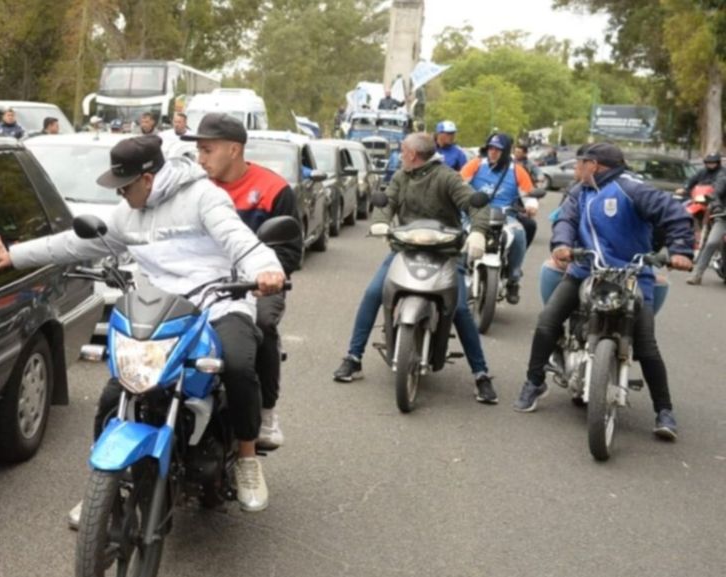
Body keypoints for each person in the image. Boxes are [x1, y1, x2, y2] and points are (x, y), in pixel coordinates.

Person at [0, 135, 286, 517]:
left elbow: (239, 240)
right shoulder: (128, 213)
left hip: (218, 303)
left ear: (148, 178)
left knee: (240, 365)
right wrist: (13, 256)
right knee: (116, 393)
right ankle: (104, 492)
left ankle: (246, 458)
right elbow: (73, 244)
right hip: (163, 312)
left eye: (124, 186)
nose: (121, 195)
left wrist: (265, 269)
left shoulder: (203, 197)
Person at [511, 143, 694, 440]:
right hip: (586, 271)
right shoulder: (579, 191)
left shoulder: (632, 188)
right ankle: (534, 383)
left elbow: (674, 213)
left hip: (633, 276)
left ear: (593, 165)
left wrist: (681, 250)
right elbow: (566, 221)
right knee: (547, 321)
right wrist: (561, 245)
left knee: (646, 344)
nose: (575, 169)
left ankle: (664, 411)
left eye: (579, 163)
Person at [333, 132, 500, 405]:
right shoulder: (401, 177)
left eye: (402, 150)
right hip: (405, 249)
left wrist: (478, 232)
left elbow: (474, 204)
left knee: (459, 308)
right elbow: (386, 203)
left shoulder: (447, 177)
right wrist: (381, 223)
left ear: (411, 154)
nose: (400, 154)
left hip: (445, 252)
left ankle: (481, 374)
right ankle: (353, 357)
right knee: (373, 293)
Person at [184, 113, 301, 450]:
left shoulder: (274, 189)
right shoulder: (193, 189)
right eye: (199, 151)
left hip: (255, 285)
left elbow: (290, 253)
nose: (200, 159)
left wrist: (264, 278)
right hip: (201, 282)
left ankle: (266, 413)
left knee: (261, 325)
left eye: (208, 151)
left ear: (234, 149)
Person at [461, 133, 535, 304]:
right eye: (491, 148)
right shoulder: (475, 164)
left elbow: (528, 194)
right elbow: (459, 184)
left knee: (519, 235)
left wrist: (531, 205)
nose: (493, 152)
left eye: (498, 149)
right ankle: (458, 274)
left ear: (506, 151)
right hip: (474, 214)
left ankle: (513, 279)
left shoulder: (517, 170)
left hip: (505, 216)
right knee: (459, 235)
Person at [687, 156, 726, 285]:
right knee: (711, 242)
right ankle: (697, 274)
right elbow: (715, 193)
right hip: (723, 217)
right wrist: (717, 205)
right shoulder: (723, 178)